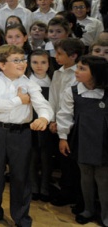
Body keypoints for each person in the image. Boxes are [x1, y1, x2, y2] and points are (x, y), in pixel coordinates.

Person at [0, 45, 53, 227]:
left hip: (21, 133)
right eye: (16, 60)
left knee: (21, 176)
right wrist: (19, 100)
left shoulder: (29, 83)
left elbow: (43, 105)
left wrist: (43, 117)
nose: (22, 63)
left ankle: (21, 216)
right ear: (2, 65)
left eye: (23, 59)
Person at [56, 55, 108, 226]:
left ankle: (106, 215)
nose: (76, 72)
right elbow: (65, 115)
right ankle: (88, 209)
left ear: (96, 73)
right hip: (82, 138)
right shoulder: (73, 90)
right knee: (85, 176)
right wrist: (63, 137)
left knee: (103, 178)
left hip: (103, 141)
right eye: (77, 67)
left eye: (82, 69)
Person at [48, 37, 86, 209]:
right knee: (64, 161)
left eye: (60, 54)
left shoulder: (79, 74)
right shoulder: (58, 73)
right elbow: (54, 98)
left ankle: (80, 197)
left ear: (73, 56)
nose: (56, 56)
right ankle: (66, 192)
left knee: (76, 163)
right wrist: (53, 119)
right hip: (60, 122)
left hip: (75, 124)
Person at [27, 49, 53, 203]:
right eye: (35, 62)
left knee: (46, 155)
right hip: (30, 121)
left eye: (43, 62)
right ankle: (33, 186)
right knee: (32, 154)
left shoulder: (53, 80)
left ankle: (45, 186)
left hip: (47, 121)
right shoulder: (27, 80)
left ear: (48, 63)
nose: (39, 66)